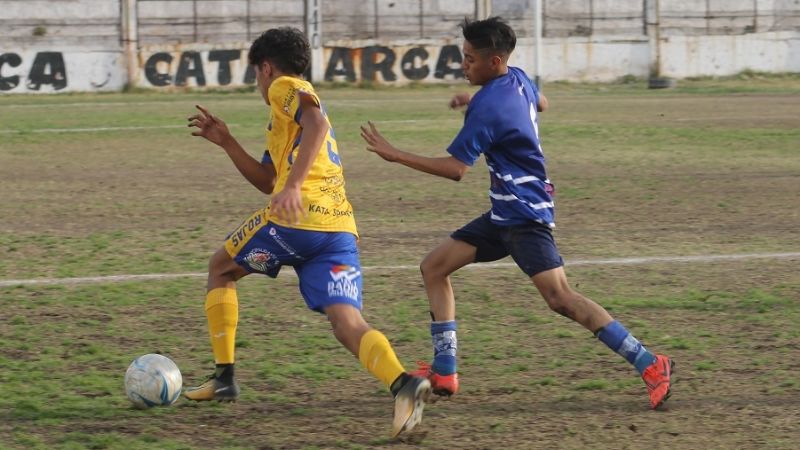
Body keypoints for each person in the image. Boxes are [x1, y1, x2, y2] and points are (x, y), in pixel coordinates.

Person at [360, 17, 673, 410]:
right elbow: (541, 103)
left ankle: (650, 362)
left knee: (561, 298)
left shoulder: (489, 106)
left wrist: (395, 154)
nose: (464, 65)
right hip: (504, 213)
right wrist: (475, 100)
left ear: (494, 61)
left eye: (470, 59)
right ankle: (445, 371)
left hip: (524, 215)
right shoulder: (517, 77)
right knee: (434, 267)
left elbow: (456, 169)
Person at [184, 27, 431, 437]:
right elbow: (267, 180)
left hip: (296, 220)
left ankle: (224, 377)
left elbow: (315, 123)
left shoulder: (286, 87)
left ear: (265, 68)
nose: (258, 84)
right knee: (346, 321)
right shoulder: (283, 118)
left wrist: (295, 186)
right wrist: (227, 142)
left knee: (220, 269)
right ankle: (404, 384)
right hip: (338, 229)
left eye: (256, 75)